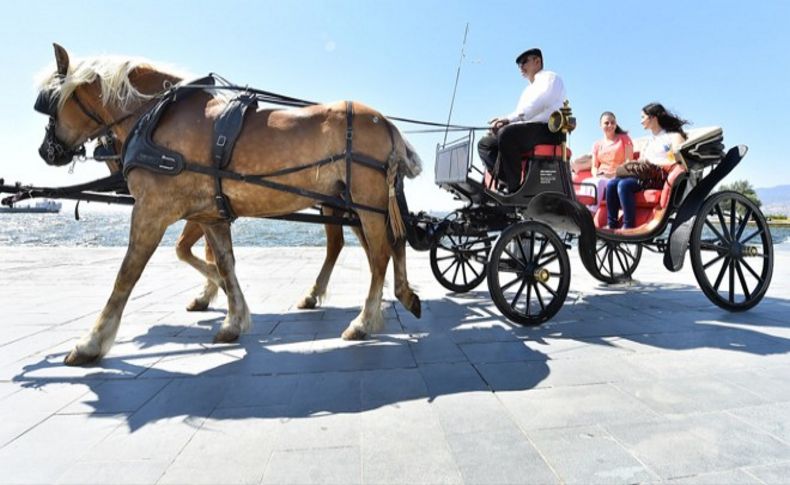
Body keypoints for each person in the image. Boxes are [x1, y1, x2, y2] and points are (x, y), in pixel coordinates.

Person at [477, 48, 566, 193]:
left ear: (537, 61)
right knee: (485, 144)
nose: (521, 67)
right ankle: (506, 180)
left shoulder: (550, 77)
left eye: (524, 62)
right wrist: (500, 124)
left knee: (507, 134)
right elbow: (520, 117)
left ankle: (514, 190)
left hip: (548, 130)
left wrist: (507, 120)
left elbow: (540, 102)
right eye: (519, 65)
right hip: (529, 131)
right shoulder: (527, 90)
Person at [605, 103, 688, 229]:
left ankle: (629, 226)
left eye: (643, 117)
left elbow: (680, 162)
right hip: (644, 175)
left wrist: (655, 164)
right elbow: (642, 160)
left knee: (624, 185)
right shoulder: (650, 141)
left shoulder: (673, 136)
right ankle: (612, 225)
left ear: (653, 118)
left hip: (658, 176)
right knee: (611, 184)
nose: (641, 121)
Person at [585, 111, 633, 212]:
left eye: (613, 122)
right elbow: (594, 166)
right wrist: (596, 175)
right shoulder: (596, 144)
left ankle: (589, 216)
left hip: (618, 176)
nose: (610, 125)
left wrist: (612, 174)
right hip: (601, 176)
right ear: (600, 125)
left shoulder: (625, 139)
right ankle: (581, 213)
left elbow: (629, 163)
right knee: (587, 182)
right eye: (606, 123)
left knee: (598, 183)